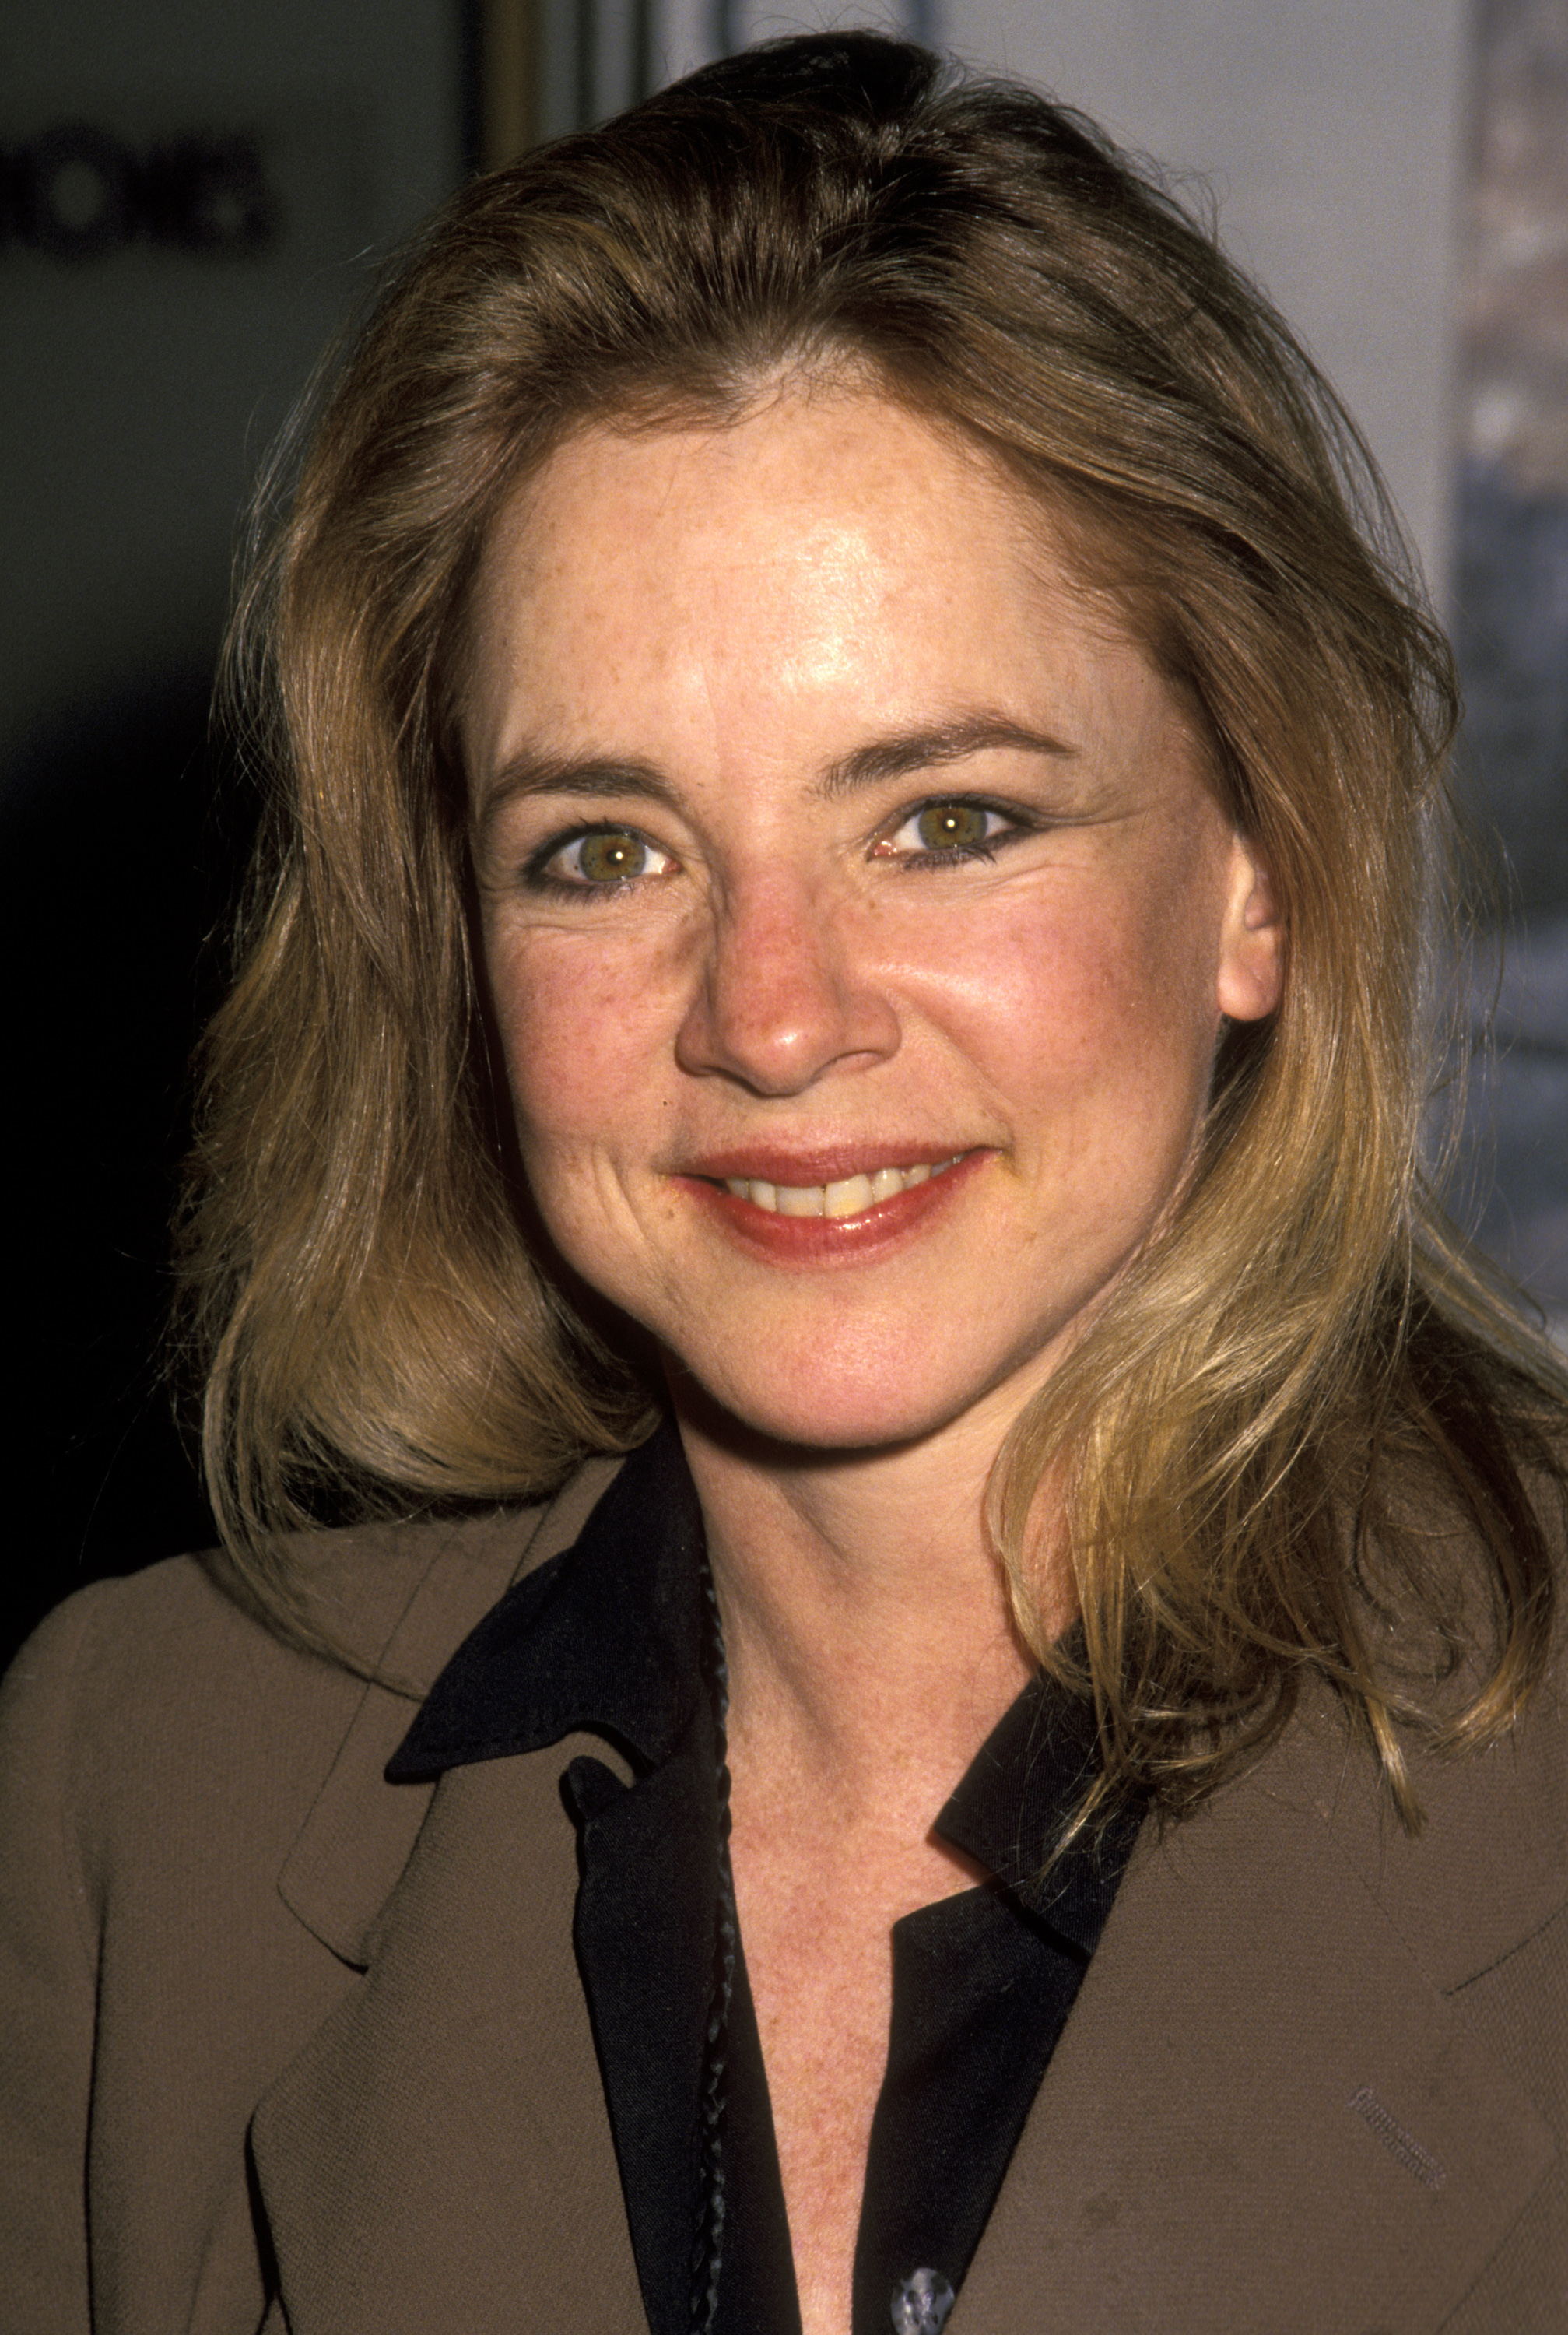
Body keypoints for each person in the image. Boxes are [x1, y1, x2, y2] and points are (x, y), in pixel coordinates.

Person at [2, 30, 1565, 2334]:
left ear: (1262, 872)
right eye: (604, 849)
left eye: (946, 817)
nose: (770, 1010)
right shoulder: (147, 1775)